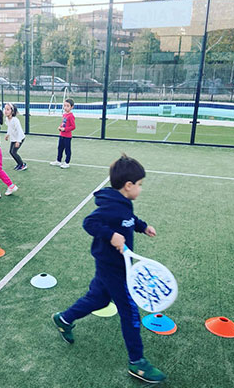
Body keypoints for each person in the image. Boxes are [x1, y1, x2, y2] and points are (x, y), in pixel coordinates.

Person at [52, 154, 166, 384]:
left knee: (99, 299)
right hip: (112, 267)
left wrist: (143, 227)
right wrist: (111, 235)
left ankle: (64, 319)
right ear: (128, 186)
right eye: (140, 185)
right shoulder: (110, 207)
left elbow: (129, 219)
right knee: (130, 311)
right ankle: (137, 362)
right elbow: (89, 223)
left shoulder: (123, 204)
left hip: (115, 266)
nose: (141, 189)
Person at [50, 98, 75, 169]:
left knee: (67, 150)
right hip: (61, 135)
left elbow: (73, 126)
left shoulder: (71, 116)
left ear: (72, 107)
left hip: (67, 136)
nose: (65, 107)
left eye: (68, 106)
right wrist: (60, 127)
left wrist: (65, 129)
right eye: (65, 106)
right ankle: (58, 160)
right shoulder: (64, 115)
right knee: (60, 148)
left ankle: (67, 162)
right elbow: (63, 123)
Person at [4, 102, 27, 171]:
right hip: (13, 139)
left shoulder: (15, 120)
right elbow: (9, 127)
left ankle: (22, 165)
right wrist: (7, 134)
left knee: (14, 152)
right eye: (5, 109)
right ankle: (19, 164)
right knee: (11, 152)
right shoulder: (7, 119)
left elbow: (19, 131)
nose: (5, 111)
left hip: (20, 138)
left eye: (8, 109)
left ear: (12, 111)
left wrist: (18, 141)